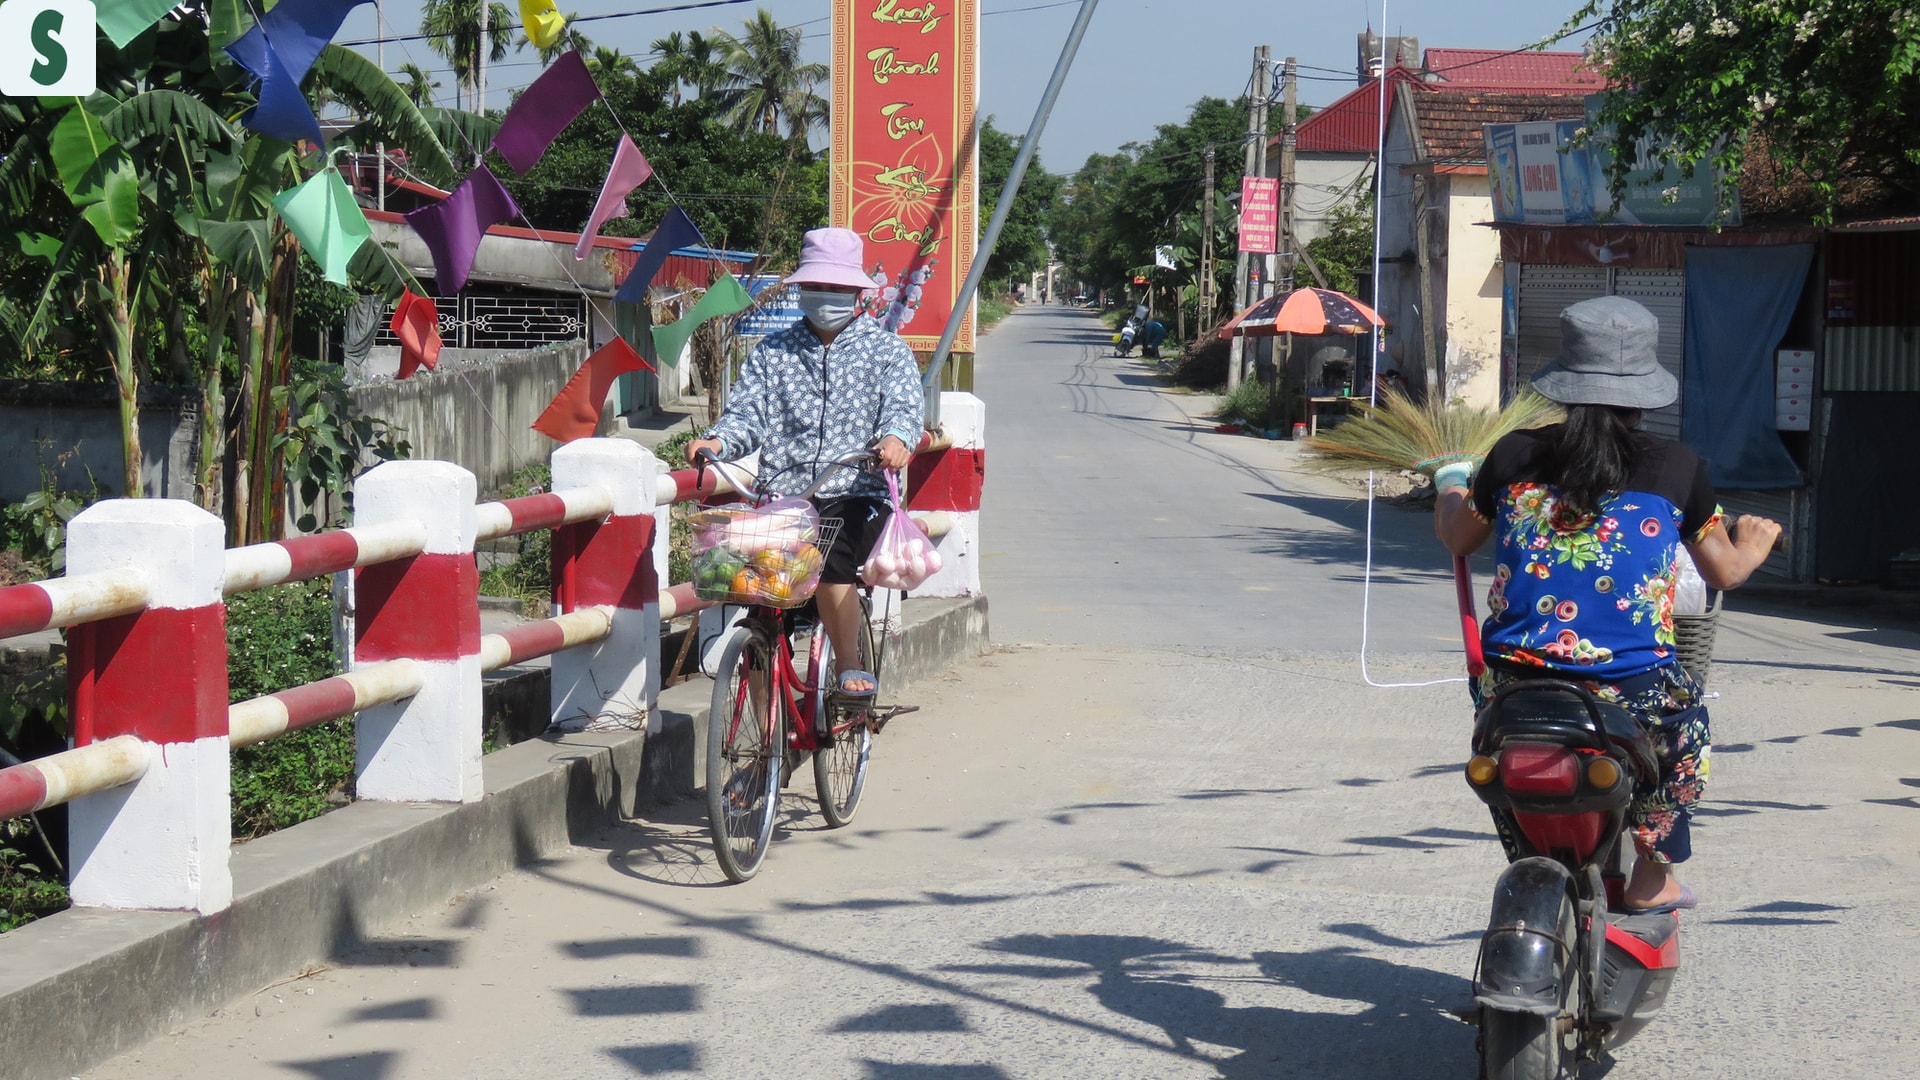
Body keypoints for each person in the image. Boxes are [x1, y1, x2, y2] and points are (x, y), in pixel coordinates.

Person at [1432, 296, 1781, 914]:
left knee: (1496, 753)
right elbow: (1724, 570)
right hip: (1631, 683)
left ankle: (1531, 858)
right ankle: (1650, 874)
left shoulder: (1513, 455)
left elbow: (1460, 535)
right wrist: (1753, 545)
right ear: (1644, 394)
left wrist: (1450, 486)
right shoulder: (1676, 466)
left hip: (1515, 680)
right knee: (1686, 734)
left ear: (1565, 382)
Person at [685, 227, 923, 697]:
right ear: (800, 289)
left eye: (837, 288)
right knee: (749, 588)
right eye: (817, 287)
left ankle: (849, 666)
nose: (825, 297)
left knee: (831, 560)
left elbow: (903, 411)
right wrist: (716, 441)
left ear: (859, 292)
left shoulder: (887, 351)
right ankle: (760, 755)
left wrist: (895, 440)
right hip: (784, 499)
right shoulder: (773, 353)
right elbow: (746, 414)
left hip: (857, 494)